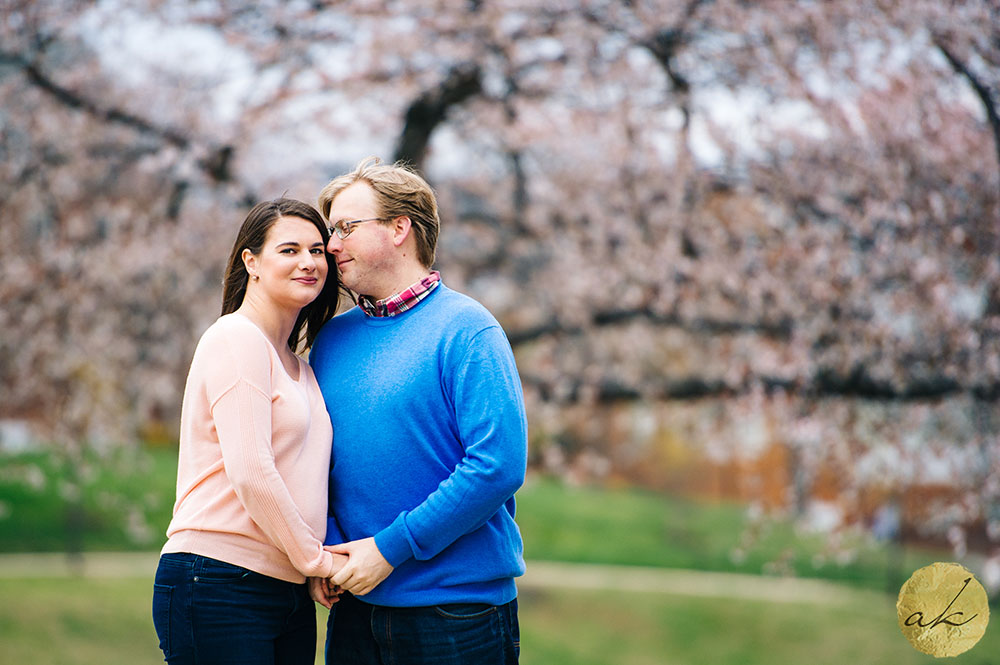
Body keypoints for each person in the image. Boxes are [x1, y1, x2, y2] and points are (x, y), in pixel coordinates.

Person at [309, 157, 527, 665]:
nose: (331, 245)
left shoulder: (468, 330)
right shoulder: (331, 339)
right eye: (329, 231)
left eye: (345, 227)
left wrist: (389, 549)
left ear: (399, 229)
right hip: (354, 609)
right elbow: (318, 456)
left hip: (455, 614)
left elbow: (497, 466)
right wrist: (332, 548)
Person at [152, 198, 347, 665]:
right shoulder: (235, 339)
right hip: (217, 580)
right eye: (290, 249)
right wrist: (316, 560)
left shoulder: (301, 366)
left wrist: (307, 563)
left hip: (286, 588)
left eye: (318, 251)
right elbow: (251, 472)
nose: (308, 262)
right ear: (251, 261)